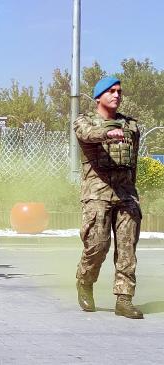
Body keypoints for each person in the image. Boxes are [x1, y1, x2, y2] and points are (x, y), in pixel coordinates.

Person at [74, 76, 143, 319]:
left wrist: (133, 192)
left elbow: (132, 161)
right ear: (98, 97)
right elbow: (88, 135)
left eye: (119, 91)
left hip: (125, 193)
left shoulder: (131, 126)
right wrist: (107, 133)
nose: (117, 95)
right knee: (97, 246)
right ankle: (85, 281)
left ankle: (124, 299)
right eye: (111, 91)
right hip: (97, 194)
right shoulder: (84, 122)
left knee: (127, 248)